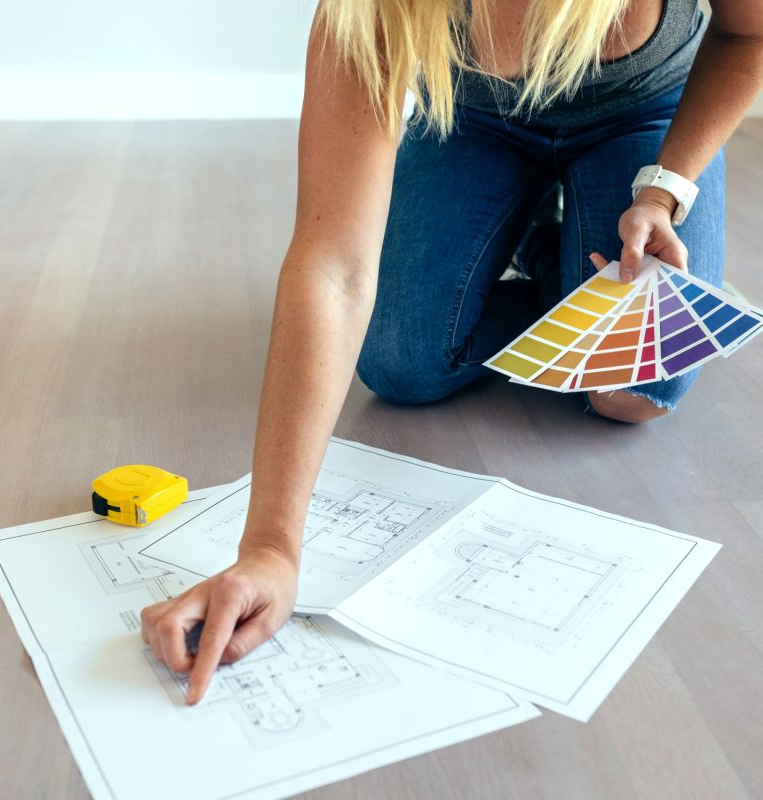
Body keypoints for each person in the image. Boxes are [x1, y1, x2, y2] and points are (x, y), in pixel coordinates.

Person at [141, 0, 763, 703]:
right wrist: (270, 548)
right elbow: (333, 269)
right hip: (474, 122)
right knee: (399, 361)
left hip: (648, 119)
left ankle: (561, 245)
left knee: (634, 390)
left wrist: (668, 186)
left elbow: (749, 31)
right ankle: (548, 247)